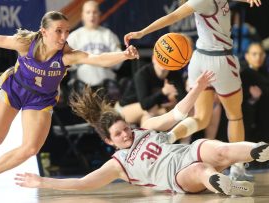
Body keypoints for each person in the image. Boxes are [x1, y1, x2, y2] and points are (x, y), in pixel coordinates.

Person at [0, 11, 139, 199]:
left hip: (41, 99)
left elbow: (97, 58)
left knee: (31, 148)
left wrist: (123, 55)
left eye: (67, 31)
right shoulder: (25, 43)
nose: (64, 36)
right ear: (44, 32)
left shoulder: (66, 56)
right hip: (15, 89)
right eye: (59, 31)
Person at [15, 71, 269, 196]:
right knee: (201, 170)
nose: (126, 135)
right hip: (178, 176)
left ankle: (260, 150)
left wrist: (199, 88)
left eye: (125, 128)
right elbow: (83, 183)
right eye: (119, 134)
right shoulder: (118, 165)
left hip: (186, 152)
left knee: (214, 147)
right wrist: (42, 182)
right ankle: (227, 185)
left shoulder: (143, 130)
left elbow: (177, 114)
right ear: (108, 141)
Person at [123, 0, 263, 180]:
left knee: (201, 118)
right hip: (220, 60)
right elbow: (172, 17)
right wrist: (142, 33)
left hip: (200, 60)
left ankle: (170, 137)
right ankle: (237, 170)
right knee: (235, 116)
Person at [67, 1, 122, 96]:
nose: (91, 15)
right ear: (82, 15)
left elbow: (119, 58)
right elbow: (66, 61)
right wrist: (87, 61)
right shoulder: (74, 36)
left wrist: (104, 62)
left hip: (106, 86)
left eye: (94, 12)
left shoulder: (108, 34)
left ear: (99, 14)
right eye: (88, 12)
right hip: (82, 85)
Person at [115, 56, 186, 126]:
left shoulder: (174, 74)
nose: (164, 61)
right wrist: (163, 92)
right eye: (162, 58)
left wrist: (174, 99)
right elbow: (145, 104)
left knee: (148, 118)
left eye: (168, 59)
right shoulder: (142, 74)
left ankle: (146, 137)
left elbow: (183, 98)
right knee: (151, 111)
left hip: (153, 109)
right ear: (153, 59)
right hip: (124, 109)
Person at [241, 42, 269, 143]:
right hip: (253, 125)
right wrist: (252, 99)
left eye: (261, 54)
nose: (258, 57)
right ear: (247, 56)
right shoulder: (244, 75)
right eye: (254, 54)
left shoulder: (265, 73)